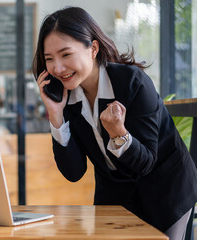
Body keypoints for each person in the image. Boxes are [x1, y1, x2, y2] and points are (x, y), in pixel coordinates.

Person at [32, 6, 197, 240]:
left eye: (66, 54)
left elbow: (146, 163)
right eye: (49, 59)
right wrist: (56, 115)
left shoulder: (132, 83)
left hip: (165, 188)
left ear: (93, 48)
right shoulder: (66, 98)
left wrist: (119, 134)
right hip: (117, 195)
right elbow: (74, 172)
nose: (57, 68)